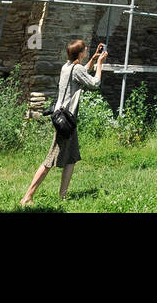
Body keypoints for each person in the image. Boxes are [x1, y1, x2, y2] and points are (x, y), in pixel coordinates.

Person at [20, 39, 107, 206]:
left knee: (72, 158)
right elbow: (95, 83)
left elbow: (81, 71)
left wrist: (94, 59)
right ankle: (27, 197)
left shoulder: (66, 67)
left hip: (64, 118)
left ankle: (63, 196)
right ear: (80, 53)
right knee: (49, 161)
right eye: (85, 50)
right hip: (65, 121)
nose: (87, 50)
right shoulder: (77, 69)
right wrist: (100, 63)